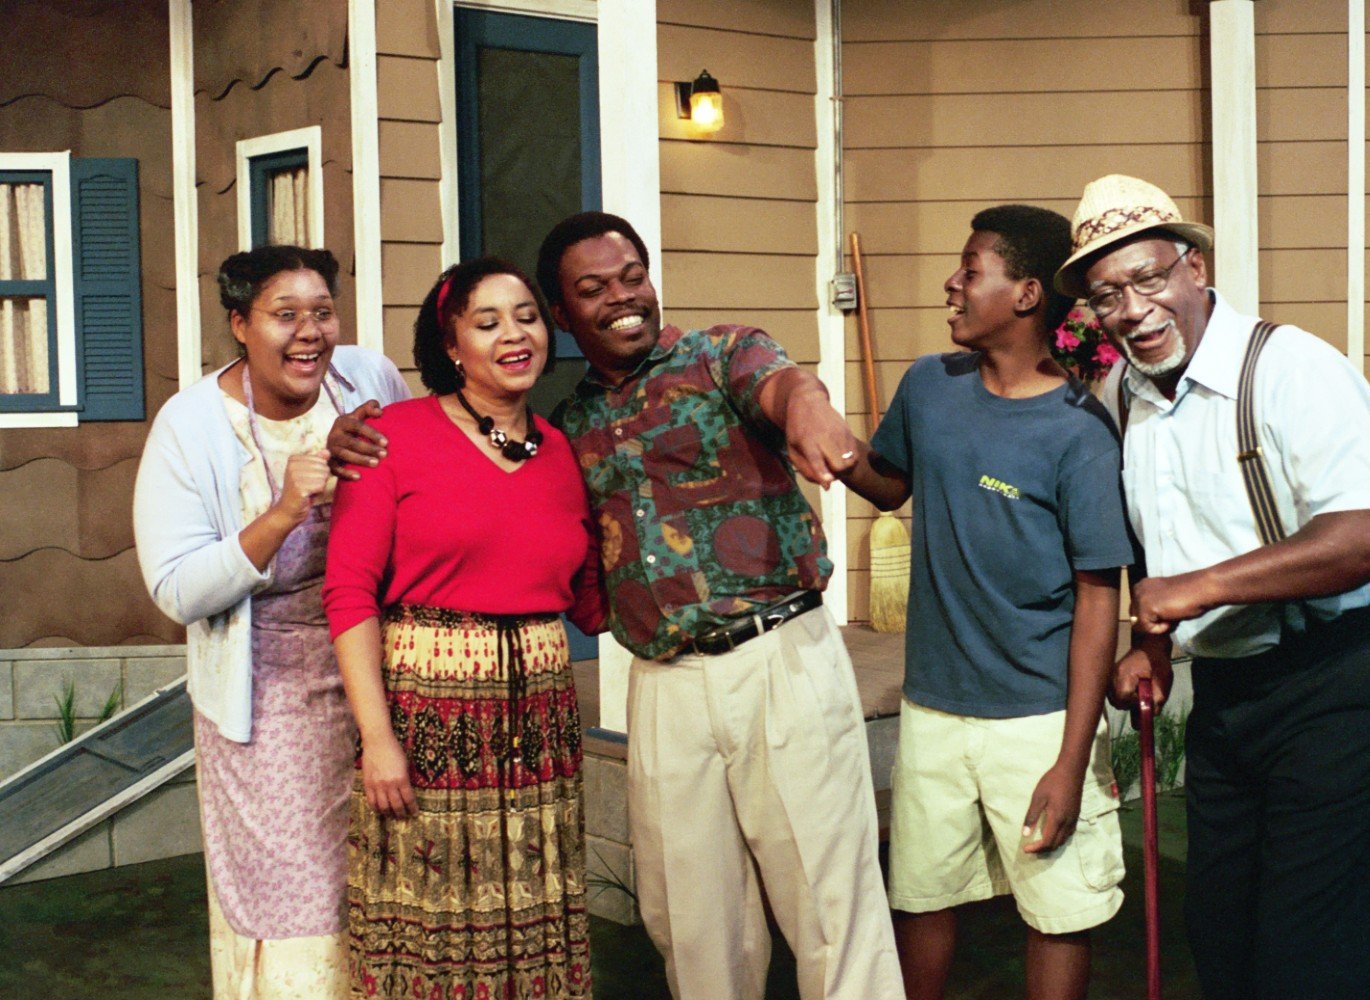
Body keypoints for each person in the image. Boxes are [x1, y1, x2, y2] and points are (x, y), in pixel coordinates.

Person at [330, 213, 903, 999]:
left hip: (778, 657)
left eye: (632, 275)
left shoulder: (719, 355)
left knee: (831, 901)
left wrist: (809, 404)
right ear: (567, 316)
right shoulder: (567, 430)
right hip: (662, 681)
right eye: (592, 289)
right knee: (693, 918)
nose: (622, 297)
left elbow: (783, 383)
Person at [1055, 174, 1370, 999]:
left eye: (1149, 278)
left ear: (1194, 266)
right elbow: (1157, 537)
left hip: (1352, 669)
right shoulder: (1123, 393)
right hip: (1235, 686)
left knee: (1311, 945)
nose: (1131, 309)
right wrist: (1149, 645)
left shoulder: (1290, 367)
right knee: (1222, 929)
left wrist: (1194, 592)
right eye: (1106, 295)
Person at [835, 205, 1132, 999]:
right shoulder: (931, 386)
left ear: (1028, 292)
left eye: (971, 270)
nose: (953, 284)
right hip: (932, 708)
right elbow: (891, 481)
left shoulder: (1078, 432)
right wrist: (835, 451)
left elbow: (1099, 598)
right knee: (923, 899)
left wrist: (1072, 761)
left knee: (1057, 913)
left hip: (1037, 720)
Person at [133, 245, 410, 998]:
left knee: (381, 887)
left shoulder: (369, 380)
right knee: (300, 899)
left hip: (373, 668)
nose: (309, 333)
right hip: (268, 696)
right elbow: (176, 588)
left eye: (321, 312)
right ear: (239, 325)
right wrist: (285, 510)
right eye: (284, 316)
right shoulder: (191, 427)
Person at [322, 258, 603, 999]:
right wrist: (378, 738)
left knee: (537, 911)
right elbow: (349, 593)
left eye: (527, 317)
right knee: (432, 919)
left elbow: (589, 600)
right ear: (451, 345)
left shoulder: (561, 450)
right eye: (488, 323)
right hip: (429, 715)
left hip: (540, 718)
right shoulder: (391, 437)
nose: (515, 335)